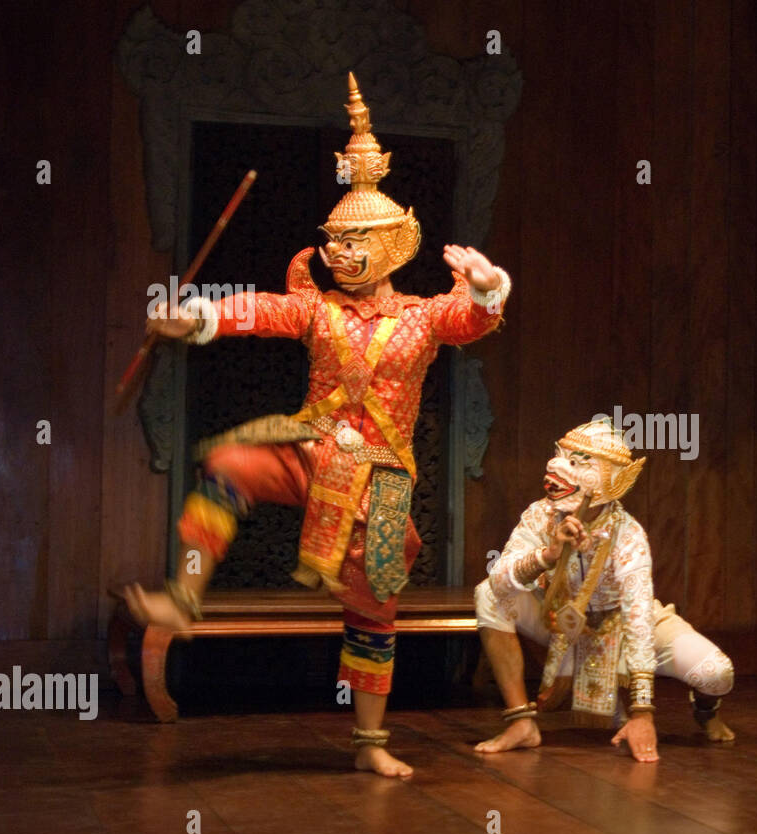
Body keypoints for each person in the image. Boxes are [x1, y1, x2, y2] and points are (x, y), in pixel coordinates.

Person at [122, 74, 512, 779]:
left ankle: (370, 745)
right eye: (332, 240)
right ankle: (184, 596)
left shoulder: (424, 317)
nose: (337, 253)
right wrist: (196, 318)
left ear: (392, 245)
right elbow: (261, 309)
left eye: (354, 240)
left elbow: (473, 321)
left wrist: (485, 287)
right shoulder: (319, 310)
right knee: (230, 465)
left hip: (379, 480)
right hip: (311, 449)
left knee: (375, 605)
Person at [473, 420, 735, 762]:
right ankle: (521, 723)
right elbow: (499, 581)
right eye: (559, 455)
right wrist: (547, 555)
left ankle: (705, 711)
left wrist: (643, 713)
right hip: (565, 624)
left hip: (625, 628)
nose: (557, 467)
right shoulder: (540, 516)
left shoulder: (628, 534)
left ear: (609, 480)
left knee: (716, 674)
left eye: (578, 463)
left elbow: (638, 618)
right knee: (488, 595)